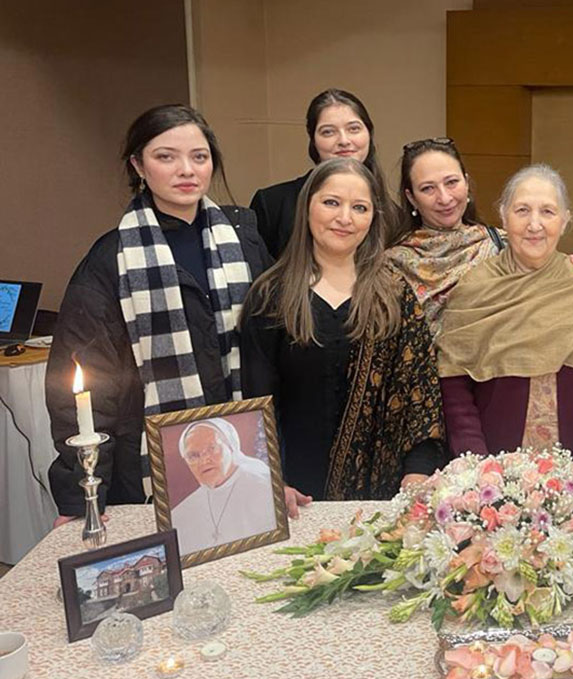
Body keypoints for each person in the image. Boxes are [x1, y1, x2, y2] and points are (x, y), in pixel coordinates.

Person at [46, 105, 273, 526]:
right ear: (138, 164)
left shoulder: (243, 240)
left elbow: (271, 345)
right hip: (148, 461)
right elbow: (84, 385)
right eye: (166, 156)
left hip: (243, 451)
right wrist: (80, 495)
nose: (186, 170)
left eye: (199, 157)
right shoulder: (112, 259)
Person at [241, 158, 446, 501]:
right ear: (307, 207)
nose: (345, 218)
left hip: (384, 500)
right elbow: (256, 404)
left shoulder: (394, 295)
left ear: (373, 218)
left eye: (360, 207)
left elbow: (421, 400)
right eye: (331, 202)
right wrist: (271, 482)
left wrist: (417, 474)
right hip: (296, 500)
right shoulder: (270, 296)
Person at [437, 164, 573, 494]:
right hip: (490, 477)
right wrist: (475, 461)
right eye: (522, 211)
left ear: (564, 220)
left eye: (547, 211)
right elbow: (455, 386)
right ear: (503, 217)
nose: (534, 225)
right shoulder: (476, 288)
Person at [250, 88, 397, 258]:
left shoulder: (394, 214)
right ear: (313, 141)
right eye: (328, 132)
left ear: (369, 135)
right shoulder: (272, 204)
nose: (343, 141)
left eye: (354, 129)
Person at [385, 137, 506, 338]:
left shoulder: (505, 247)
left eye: (451, 182)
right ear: (411, 198)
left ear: (466, 183)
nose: (444, 198)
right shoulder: (392, 265)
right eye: (427, 188)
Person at [171, 418, 277, 555]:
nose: (204, 460)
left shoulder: (266, 486)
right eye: (193, 455)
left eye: (212, 448)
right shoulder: (179, 516)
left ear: (231, 447)